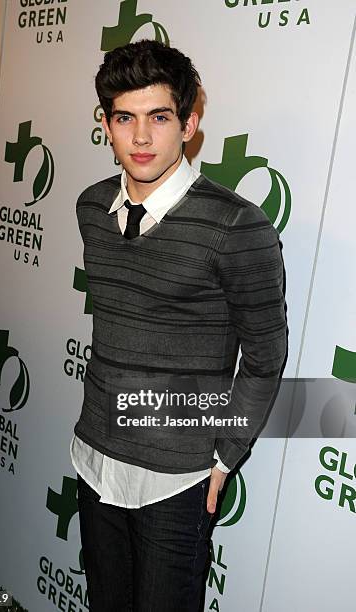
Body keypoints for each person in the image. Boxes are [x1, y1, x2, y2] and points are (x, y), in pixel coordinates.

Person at [70, 39, 288, 612]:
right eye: (125, 118)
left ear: (189, 124)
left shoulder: (237, 225)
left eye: (159, 118)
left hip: (176, 478)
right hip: (93, 456)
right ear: (107, 124)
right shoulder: (91, 208)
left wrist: (224, 457)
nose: (141, 138)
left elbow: (265, 356)